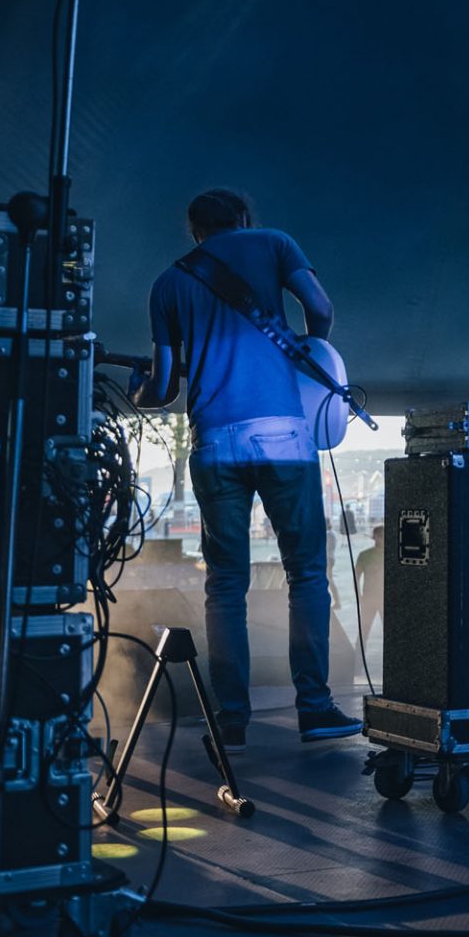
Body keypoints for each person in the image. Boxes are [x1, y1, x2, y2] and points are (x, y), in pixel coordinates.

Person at [133, 188, 363, 753]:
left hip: (216, 443)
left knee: (225, 585)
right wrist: (309, 358)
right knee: (307, 574)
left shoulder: (169, 283)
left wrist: (141, 393)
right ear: (242, 218)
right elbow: (322, 308)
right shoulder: (275, 243)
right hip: (284, 436)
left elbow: (163, 389)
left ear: (194, 233)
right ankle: (315, 708)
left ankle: (231, 721)